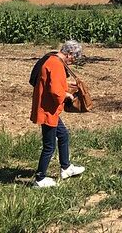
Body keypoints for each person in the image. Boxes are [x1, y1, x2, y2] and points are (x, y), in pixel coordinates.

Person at [30, 40, 86, 188]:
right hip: (47, 110)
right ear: (69, 54)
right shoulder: (56, 65)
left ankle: (66, 168)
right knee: (49, 146)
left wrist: (66, 85)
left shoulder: (52, 59)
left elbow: (52, 83)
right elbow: (55, 91)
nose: (72, 62)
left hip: (49, 109)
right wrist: (67, 95)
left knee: (63, 135)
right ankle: (39, 179)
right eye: (74, 59)